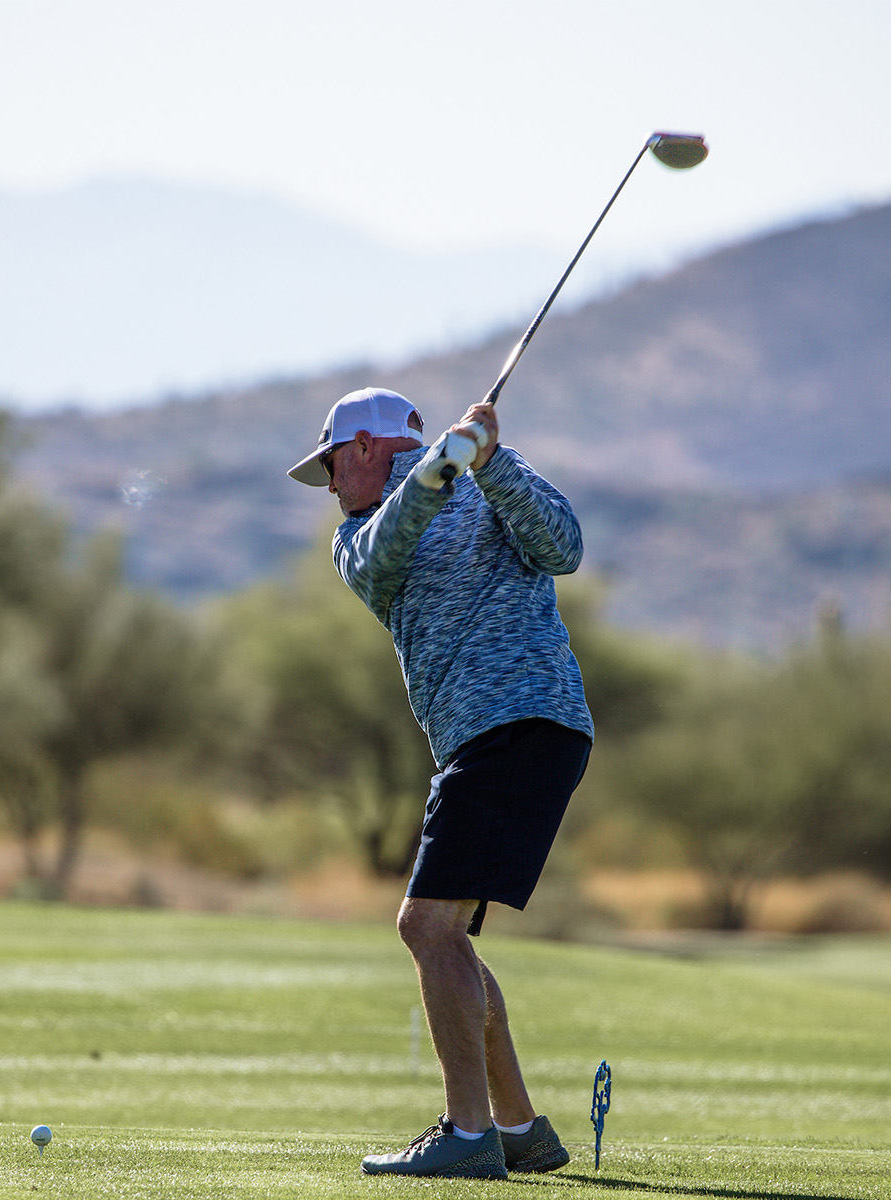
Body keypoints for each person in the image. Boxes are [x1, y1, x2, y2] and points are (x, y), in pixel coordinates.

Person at [286, 386, 594, 1179]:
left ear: (364, 447)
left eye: (331, 465)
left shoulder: (493, 476)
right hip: (485, 739)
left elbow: (564, 548)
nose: (329, 485)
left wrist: (492, 467)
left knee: (426, 928)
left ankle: (467, 1133)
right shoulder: (357, 535)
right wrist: (433, 475)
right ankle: (519, 1129)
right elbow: (383, 556)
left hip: (521, 719)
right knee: (443, 933)